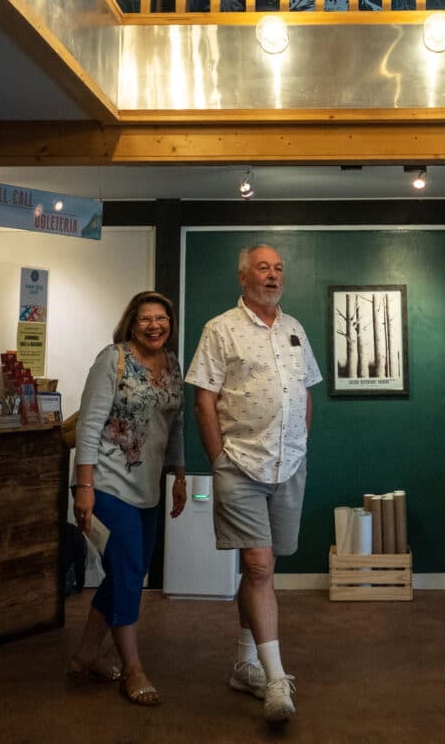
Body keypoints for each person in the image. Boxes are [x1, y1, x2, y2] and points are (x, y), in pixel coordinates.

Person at [187, 244, 323, 725]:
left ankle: (245, 663)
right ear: (244, 277)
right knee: (259, 565)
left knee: (262, 568)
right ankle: (275, 680)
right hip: (241, 464)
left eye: (279, 268)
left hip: (288, 466)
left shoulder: (293, 329)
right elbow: (204, 399)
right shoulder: (220, 328)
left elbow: (304, 391)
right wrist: (218, 458)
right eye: (263, 268)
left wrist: (301, 443)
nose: (273, 275)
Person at [68, 291, 187, 706]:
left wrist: (179, 474)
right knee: (128, 570)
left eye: (162, 319)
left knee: (128, 573)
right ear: (131, 323)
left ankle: (85, 654)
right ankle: (132, 668)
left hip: (148, 487)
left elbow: (176, 424)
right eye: (145, 319)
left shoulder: (172, 365)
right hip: (106, 483)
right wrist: (83, 487)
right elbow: (88, 426)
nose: (155, 326)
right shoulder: (112, 359)